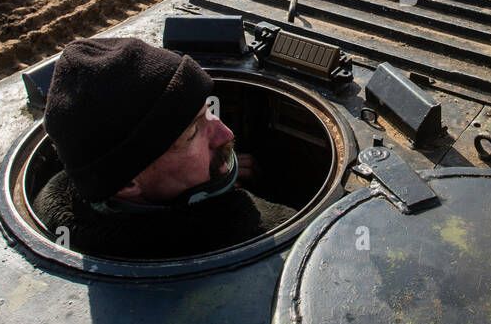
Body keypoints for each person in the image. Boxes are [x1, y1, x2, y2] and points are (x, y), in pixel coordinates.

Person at [34, 37, 296, 258]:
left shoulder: (73, 205)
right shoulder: (266, 237)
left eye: (209, 112)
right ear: (127, 184)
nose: (225, 133)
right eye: (193, 131)